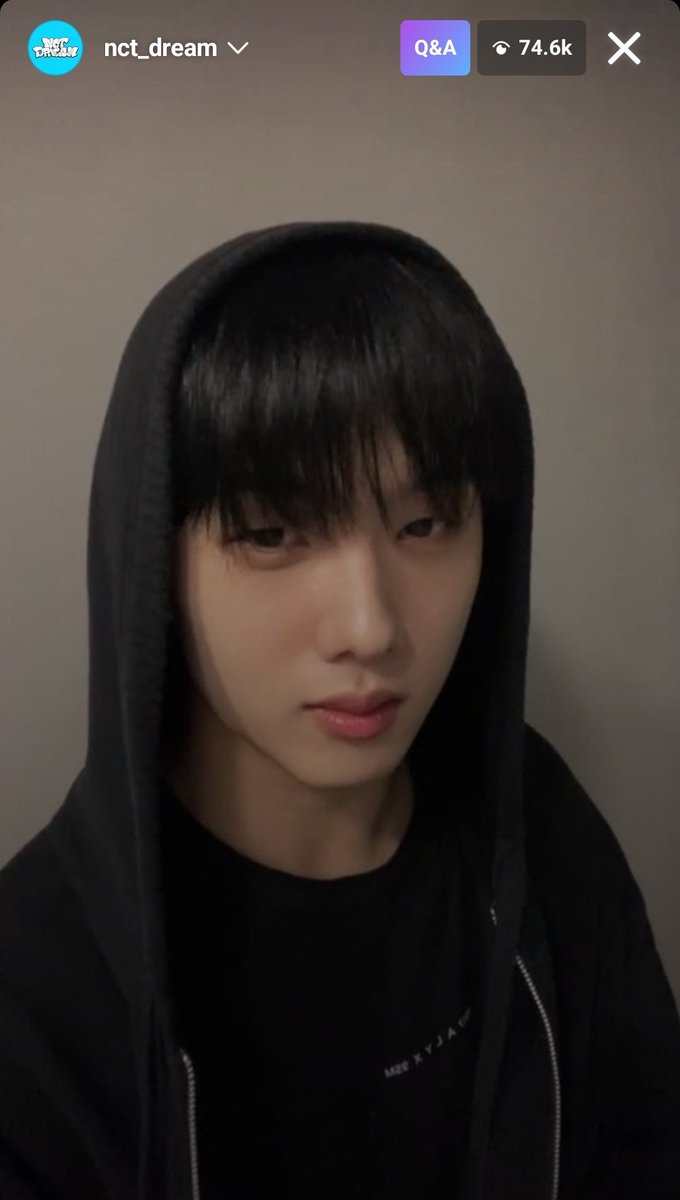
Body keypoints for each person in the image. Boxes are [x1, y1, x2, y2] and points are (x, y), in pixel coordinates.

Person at [0, 221, 679, 1200]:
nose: (370, 627)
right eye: (271, 534)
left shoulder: (543, 835)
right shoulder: (34, 993)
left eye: (423, 524)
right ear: (153, 558)